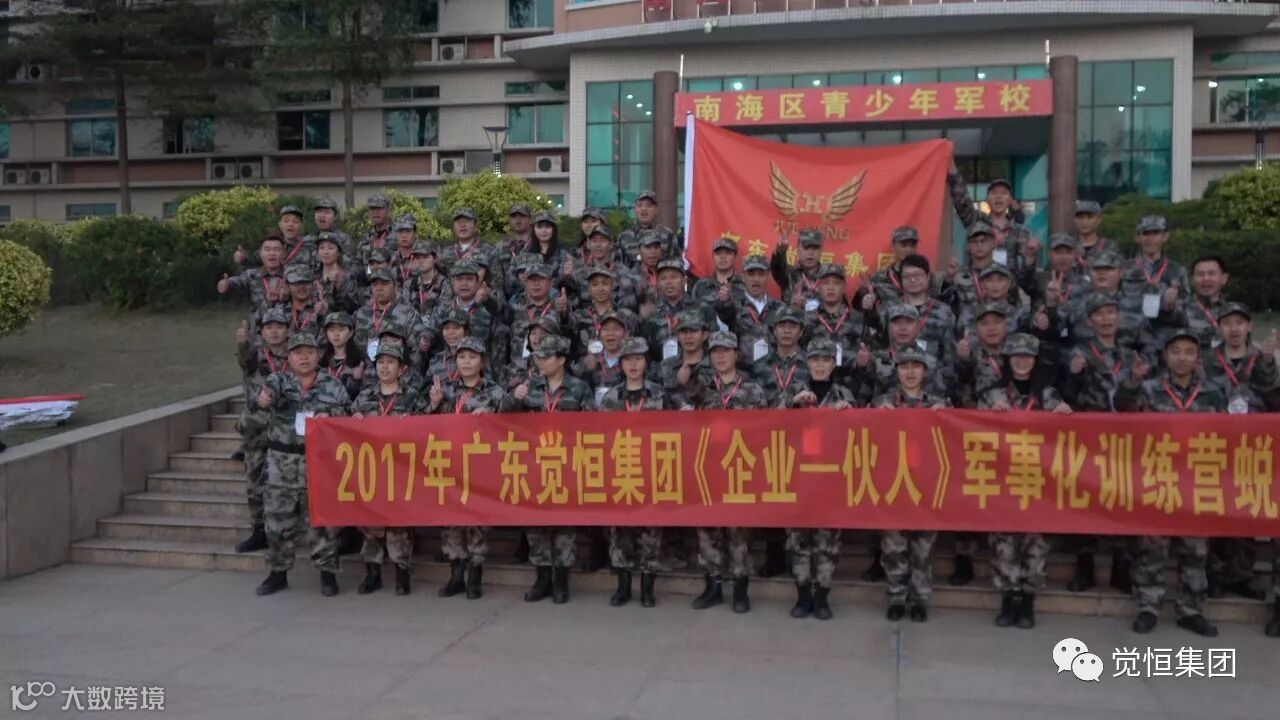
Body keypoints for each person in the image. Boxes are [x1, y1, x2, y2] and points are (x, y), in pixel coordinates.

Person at [1116, 329, 1225, 637]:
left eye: (1189, 352)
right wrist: (1132, 380)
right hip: (1158, 478)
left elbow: (1228, 434)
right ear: (1165, 356)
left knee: (1196, 550)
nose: (1182, 358)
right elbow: (1122, 407)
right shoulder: (1150, 389)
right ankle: (1149, 606)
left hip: (1198, 482)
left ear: (1197, 357)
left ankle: (1191, 610)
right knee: (1153, 547)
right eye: (1175, 351)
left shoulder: (1212, 393)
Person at [244, 333, 351, 596]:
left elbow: (349, 419)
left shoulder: (333, 386)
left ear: (318, 355)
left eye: (309, 352)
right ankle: (277, 573)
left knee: (323, 524)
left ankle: (327, 574)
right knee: (277, 523)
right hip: (282, 466)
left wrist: (331, 416)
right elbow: (248, 424)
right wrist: (261, 403)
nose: (304, 358)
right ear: (289, 358)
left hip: (319, 465)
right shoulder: (277, 382)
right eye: (298, 353)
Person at [981, 333, 1072, 629]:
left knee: (1035, 543)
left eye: (1027, 356)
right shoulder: (993, 395)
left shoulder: (1048, 395)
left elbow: (1068, 434)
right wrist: (990, 417)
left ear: (1035, 361)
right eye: (1016, 356)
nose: (1021, 361)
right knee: (1004, 544)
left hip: (1038, 483)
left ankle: (1028, 601)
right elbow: (970, 431)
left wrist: (1066, 415)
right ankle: (1009, 598)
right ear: (1008, 360)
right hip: (1002, 482)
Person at [685, 331, 768, 613]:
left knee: (738, 532)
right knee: (707, 529)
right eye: (715, 352)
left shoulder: (753, 391)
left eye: (726, 351)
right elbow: (687, 405)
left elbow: (765, 430)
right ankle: (713, 587)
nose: (720, 356)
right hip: (708, 469)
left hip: (741, 469)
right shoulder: (703, 390)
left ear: (736, 354)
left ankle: (740, 589)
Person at [427, 336, 513, 599]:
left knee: (477, 520)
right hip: (451, 464)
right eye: (462, 357)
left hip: (480, 467)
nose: (466, 362)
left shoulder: (495, 392)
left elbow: (512, 428)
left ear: (482, 361)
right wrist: (433, 405)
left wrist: (491, 418)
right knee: (451, 521)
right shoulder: (446, 390)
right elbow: (425, 427)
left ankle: (475, 576)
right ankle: (456, 575)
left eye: (472, 357)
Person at [512, 336, 593, 603]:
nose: (540, 362)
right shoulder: (530, 386)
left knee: (564, 524)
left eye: (546, 357)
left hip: (567, 464)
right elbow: (504, 418)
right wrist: (513, 398)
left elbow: (593, 426)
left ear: (561, 360)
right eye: (538, 357)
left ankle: (561, 580)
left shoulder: (579, 388)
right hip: (534, 463)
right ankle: (542, 577)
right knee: (535, 524)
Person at [872, 345, 949, 622]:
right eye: (904, 366)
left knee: (923, 547)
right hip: (893, 483)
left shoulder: (938, 403)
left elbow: (955, 440)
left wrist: (947, 417)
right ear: (896, 371)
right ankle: (896, 596)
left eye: (916, 366)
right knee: (893, 545)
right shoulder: (882, 402)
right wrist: (876, 416)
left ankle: (919, 598)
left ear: (925, 371)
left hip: (926, 485)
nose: (910, 372)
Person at [781, 338, 856, 620]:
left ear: (833, 364)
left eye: (826, 360)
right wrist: (791, 405)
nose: (820, 365)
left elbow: (861, 433)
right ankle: (803, 595)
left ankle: (822, 596)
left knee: (828, 543)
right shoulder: (793, 391)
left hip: (831, 480)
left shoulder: (844, 394)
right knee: (798, 542)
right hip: (797, 478)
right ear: (807, 363)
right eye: (815, 360)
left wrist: (849, 414)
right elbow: (769, 423)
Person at [349, 343, 423, 596]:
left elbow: (429, 430)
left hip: (401, 470)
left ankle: (402, 573)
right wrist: (353, 422)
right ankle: (373, 574)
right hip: (371, 470)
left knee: (400, 524)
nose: (384, 367)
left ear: (401, 368)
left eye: (390, 362)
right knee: (370, 522)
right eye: (380, 362)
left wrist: (415, 423)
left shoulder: (412, 397)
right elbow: (347, 429)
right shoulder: (365, 397)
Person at [599, 336, 667, 607]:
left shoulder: (660, 395)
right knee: (619, 532)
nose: (634, 364)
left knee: (651, 532)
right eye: (628, 359)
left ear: (646, 362)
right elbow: (599, 436)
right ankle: (623, 586)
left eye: (639, 358)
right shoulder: (611, 398)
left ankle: (648, 588)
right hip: (621, 472)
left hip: (652, 472)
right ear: (621, 364)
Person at [232, 306, 291, 554]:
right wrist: (243, 343)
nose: (274, 331)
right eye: (269, 327)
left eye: (279, 326)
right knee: (255, 484)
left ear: (287, 330)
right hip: (257, 430)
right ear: (262, 332)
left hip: (285, 431)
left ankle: (285, 531)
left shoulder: (296, 358)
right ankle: (259, 531)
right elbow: (244, 358)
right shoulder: (254, 358)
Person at [1120, 215, 1187, 348]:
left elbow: (1187, 312)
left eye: (1156, 233)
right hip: (1128, 340)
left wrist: (1171, 308)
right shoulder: (1123, 268)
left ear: (1165, 236)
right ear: (1137, 237)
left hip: (1164, 342)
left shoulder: (1178, 270)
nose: (1150, 239)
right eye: (1145, 233)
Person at [717, 254, 786, 367]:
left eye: (761, 274)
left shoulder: (780, 308)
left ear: (768, 276)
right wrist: (724, 302)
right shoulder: (734, 305)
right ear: (743, 277)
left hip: (773, 371)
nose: (756, 279)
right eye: (751, 274)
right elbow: (724, 312)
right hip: (743, 371)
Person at [617, 190, 679, 263]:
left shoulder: (668, 234)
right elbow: (618, 265)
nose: (644, 209)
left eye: (648, 205)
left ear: (656, 210)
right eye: (640, 205)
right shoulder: (624, 236)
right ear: (635, 210)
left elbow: (676, 262)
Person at [867, 226, 923, 305]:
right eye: (904, 245)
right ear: (893, 246)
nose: (908, 249)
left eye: (912, 245)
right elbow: (861, 301)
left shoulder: (924, 277)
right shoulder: (880, 277)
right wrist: (865, 297)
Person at [770, 229, 824, 311]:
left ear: (821, 250)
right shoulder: (789, 274)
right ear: (798, 249)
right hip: (792, 318)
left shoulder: (828, 276)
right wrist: (780, 250)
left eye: (815, 248)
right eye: (806, 248)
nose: (810, 252)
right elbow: (777, 267)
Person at [319, 312, 365, 400]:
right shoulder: (320, 362)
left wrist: (356, 380)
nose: (336, 334)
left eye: (341, 329)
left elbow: (365, 394)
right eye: (331, 330)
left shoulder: (360, 362)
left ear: (351, 332)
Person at [691, 236, 747, 308]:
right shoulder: (701, 285)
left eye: (728, 253)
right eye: (718, 253)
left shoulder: (745, 284)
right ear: (713, 257)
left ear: (736, 257)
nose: (722, 257)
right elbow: (693, 311)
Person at [314, 232, 360, 314]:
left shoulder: (347, 276)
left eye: (330, 248)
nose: (326, 252)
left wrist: (339, 288)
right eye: (322, 248)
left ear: (339, 253)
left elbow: (352, 307)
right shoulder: (313, 275)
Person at [356, 193, 393, 267]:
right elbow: (357, 264)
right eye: (372, 208)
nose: (375, 212)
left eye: (379, 208)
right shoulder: (365, 238)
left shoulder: (400, 236)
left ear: (388, 211)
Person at [1072, 200, 1112, 266]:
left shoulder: (1109, 246)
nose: (1084, 222)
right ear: (1074, 219)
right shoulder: (1067, 246)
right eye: (1080, 217)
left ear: (1099, 219)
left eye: (1090, 217)